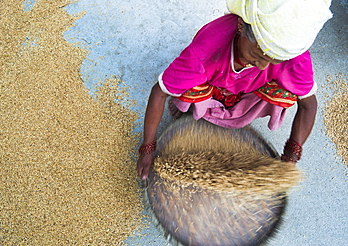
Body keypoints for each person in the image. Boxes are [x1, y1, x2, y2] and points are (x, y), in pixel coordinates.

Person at [137, 0, 332, 180]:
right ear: (241, 27)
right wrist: (147, 148)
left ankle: (234, 112)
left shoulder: (290, 56)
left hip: (249, 91)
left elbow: (308, 105)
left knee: (289, 93)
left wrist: (290, 158)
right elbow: (160, 91)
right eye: (255, 56)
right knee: (184, 85)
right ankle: (196, 108)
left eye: (272, 61)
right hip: (214, 85)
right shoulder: (206, 51)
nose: (263, 66)